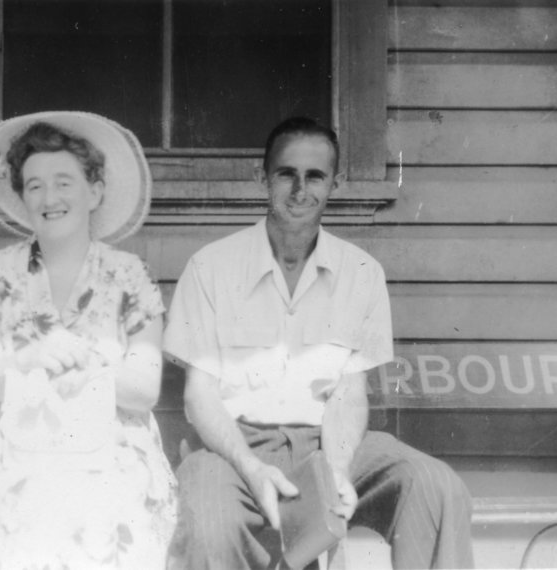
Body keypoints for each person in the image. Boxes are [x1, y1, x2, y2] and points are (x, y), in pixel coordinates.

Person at [164, 117, 474, 569]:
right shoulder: (210, 268)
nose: (299, 189)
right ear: (262, 178)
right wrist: (252, 470)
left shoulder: (361, 273)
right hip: (234, 448)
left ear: (335, 183)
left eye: (315, 176)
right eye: (286, 173)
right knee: (210, 519)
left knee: (435, 485)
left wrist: (336, 472)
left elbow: (349, 393)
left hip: (329, 442)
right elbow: (199, 395)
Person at [0, 112, 177, 569]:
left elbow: (143, 391)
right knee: (22, 501)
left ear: (95, 191)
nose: (50, 198)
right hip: (14, 442)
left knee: (101, 507)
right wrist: (30, 356)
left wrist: (88, 359)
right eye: (35, 185)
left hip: (112, 445)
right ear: (23, 197)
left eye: (64, 182)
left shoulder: (131, 276)